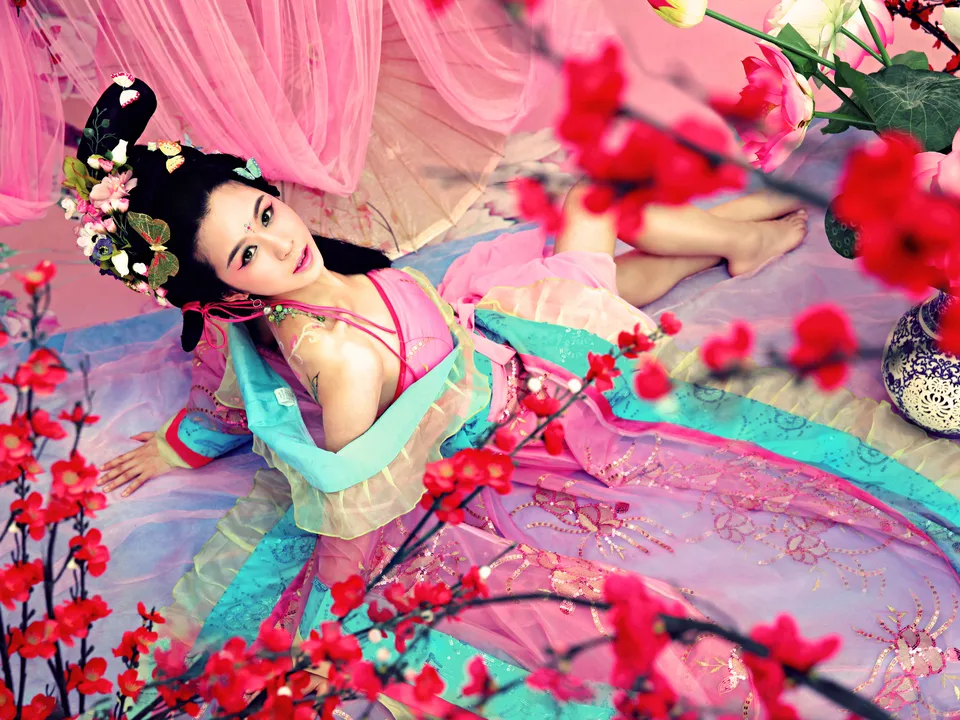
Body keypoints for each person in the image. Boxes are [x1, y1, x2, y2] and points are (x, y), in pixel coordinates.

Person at [73, 79, 960, 718]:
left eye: (265, 214)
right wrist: (334, 616)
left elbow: (234, 388)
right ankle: (738, 239)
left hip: (490, 330)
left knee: (587, 244)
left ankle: (731, 240)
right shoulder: (337, 360)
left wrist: (186, 442)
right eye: (247, 254)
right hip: (516, 408)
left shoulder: (284, 306)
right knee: (592, 222)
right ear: (226, 289)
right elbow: (351, 504)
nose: (280, 244)